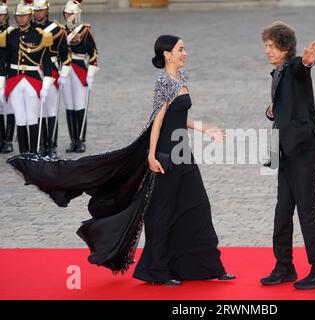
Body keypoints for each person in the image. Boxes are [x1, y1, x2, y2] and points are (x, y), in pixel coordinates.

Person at [8, 34, 235, 286]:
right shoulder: (164, 82)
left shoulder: (181, 77)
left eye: (184, 49)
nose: (185, 53)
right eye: (181, 49)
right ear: (167, 55)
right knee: (161, 213)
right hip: (164, 156)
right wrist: (150, 155)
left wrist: (206, 129)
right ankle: (156, 270)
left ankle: (206, 266)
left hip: (183, 153)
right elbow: (157, 121)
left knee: (198, 206)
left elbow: (179, 117)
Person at [259, 21, 315, 290]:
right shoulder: (278, 71)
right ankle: (284, 267)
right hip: (284, 150)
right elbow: (284, 105)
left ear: (284, 47)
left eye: (271, 46)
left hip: (303, 150)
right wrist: (272, 110)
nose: (267, 51)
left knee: (306, 211)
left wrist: (307, 62)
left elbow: (302, 70)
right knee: (282, 211)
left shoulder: (293, 67)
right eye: (266, 46)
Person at [0, 0, 54, 154]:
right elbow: (2, 61)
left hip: (33, 80)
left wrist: (46, 85)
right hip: (14, 80)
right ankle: (24, 153)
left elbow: (47, 62)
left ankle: (34, 152)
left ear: (30, 16)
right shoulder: (10, 35)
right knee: (20, 119)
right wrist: (1, 84)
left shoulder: (40, 35)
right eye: (18, 16)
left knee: (32, 117)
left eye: (24, 16)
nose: (21, 19)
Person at [32, 0, 71, 157]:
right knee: (38, 111)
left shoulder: (57, 29)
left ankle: (52, 146)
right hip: (34, 72)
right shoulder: (29, 30)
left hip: (53, 72)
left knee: (51, 110)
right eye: (36, 11)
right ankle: (42, 145)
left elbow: (65, 55)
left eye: (41, 10)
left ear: (46, 11)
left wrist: (64, 73)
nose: (38, 13)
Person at [61, 0, 98, 153]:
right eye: (67, 13)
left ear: (77, 14)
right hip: (64, 71)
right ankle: (73, 140)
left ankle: (81, 140)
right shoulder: (60, 30)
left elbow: (94, 54)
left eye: (71, 13)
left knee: (79, 106)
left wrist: (90, 74)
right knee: (69, 106)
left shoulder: (84, 31)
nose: (69, 16)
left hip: (79, 70)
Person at [0, 0, 15, 154]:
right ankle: (1, 138)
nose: (0, 18)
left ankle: (9, 140)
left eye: (2, 15)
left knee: (10, 107)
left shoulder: (12, 32)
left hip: (9, 72)